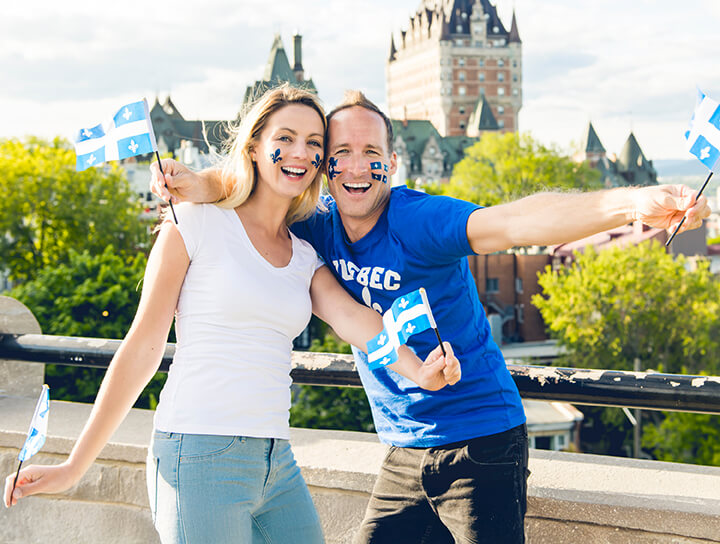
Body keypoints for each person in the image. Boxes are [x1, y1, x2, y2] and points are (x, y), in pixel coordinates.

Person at [145, 90, 710, 544]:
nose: (357, 168)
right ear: (323, 165)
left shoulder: (419, 220)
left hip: (481, 440)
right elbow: (257, 178)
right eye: (341, 153)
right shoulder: (316, 225)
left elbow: (517, 224)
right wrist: (200, 183)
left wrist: (631, 203)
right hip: (401, 447)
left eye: (373, 156)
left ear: (392, 164)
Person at [3, 86, 461, 544]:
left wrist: (419, 370)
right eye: (285, 138)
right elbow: (141, 348)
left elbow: (355, 320)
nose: (300, 152)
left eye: (314, 143)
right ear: (254, 147)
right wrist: (73, 466)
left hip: (275, 461)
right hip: (196, 452)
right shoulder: (195, 223)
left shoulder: (304, 255)